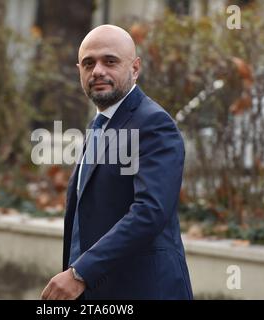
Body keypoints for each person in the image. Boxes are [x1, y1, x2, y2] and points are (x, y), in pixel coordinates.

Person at [41, 24, 193, 300]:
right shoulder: (100, 125)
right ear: (79, 71)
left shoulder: (154, 123)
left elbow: (149, 212)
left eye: (110, 61)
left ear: (135, 68)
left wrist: (80, 273)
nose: (97, 70)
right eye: (89, 63)